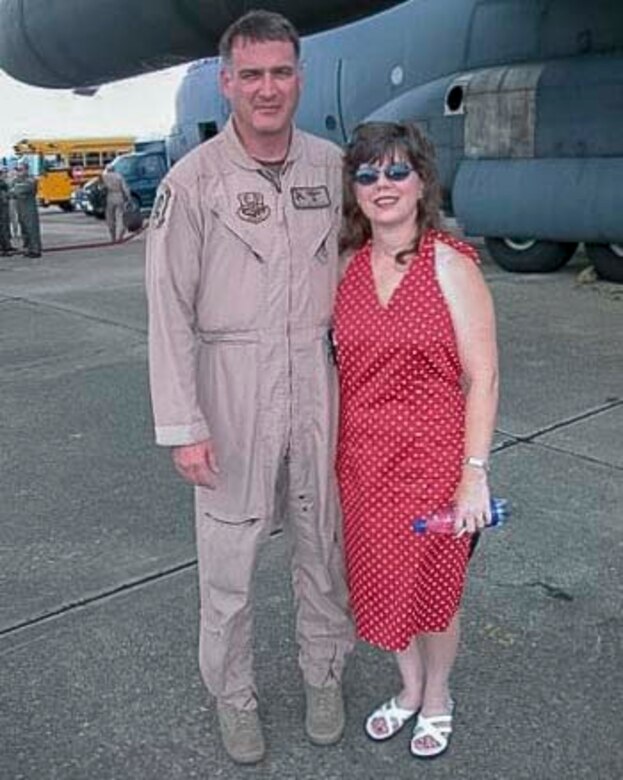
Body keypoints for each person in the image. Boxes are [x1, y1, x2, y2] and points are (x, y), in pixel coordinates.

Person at [145, 10, 354, 766]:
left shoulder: (331, 167)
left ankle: (323, 675)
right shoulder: (191, 183)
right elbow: (167, 311)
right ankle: (234, 698)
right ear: (227, 82)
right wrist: (184, 423)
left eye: (281, 72)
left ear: (298, 78)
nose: (268, 89)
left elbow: (375, 266)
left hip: (318, 383)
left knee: (322, 547)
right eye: (252, 74)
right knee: (228, 567)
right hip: (230, 386)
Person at [333, 121, 499, 759]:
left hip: (434, 466)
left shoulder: (450, 264)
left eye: (397, 171)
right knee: (379, 583)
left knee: (434, 588)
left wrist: (474, 473)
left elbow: (483, 376)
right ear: (355, 189)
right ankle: (406, 688)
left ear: (423, 181)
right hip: (362, 467)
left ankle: (437, 697)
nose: (383, 185)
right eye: (368, 174)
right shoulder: (347, 266)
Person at [12, 161, 42, 258]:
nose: (18, 172)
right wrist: (15, 188)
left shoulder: (31, 180)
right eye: (17, 170)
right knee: (24, 229)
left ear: (26, 170)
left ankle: (35, 250)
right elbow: (11, 191)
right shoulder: (17, 180)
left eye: (20, 169)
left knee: (31, 229)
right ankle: (28, 248)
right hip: (20, 208)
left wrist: (15, 189)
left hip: (29, 208)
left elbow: (19, 190)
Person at [101, 164, 131, 242]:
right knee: (120, 216)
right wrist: (128, 198)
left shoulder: (104, 177)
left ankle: (112, 237)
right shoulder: (119, 176)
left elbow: (101, 187)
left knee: (110, 218)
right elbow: (125, 188)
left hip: (110, 197)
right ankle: (120, 236)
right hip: (119, 196)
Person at [0, 167, 16, 255]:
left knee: (6, 227)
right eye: (3, 173)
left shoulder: (3, 184)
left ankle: (7, 245)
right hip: (2, 209)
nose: (5, 175)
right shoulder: (2, 185)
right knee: (2, 228)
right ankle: (4, 248)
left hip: (4, 208)